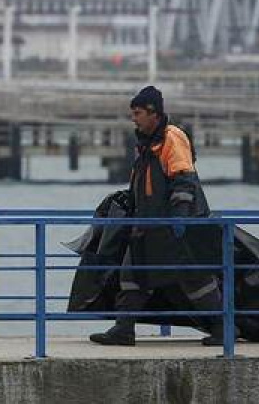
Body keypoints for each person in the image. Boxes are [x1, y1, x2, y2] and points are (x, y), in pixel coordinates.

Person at [88, 85, 227, 346]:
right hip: (149, 224)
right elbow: (144, 184)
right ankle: (124, 329)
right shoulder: (147, 143)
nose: (133, 118)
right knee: (132, 274)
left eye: (137, 112)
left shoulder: (172, 138)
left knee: (196, 279)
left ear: (153, 113)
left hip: (178, 226)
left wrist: (180, 219)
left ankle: (222, 329)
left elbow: (183, 180)